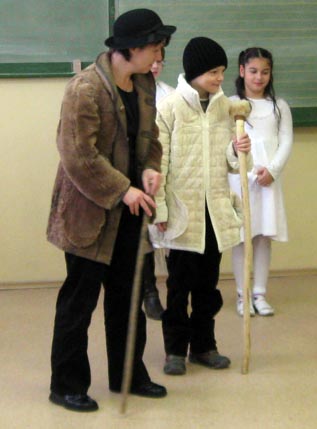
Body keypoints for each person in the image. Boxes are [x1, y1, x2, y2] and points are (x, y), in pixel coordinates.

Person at [46, 9, 176, 412]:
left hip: (129, 213)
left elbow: (151, 138)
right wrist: (123, 190)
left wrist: (150, 167)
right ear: (132, 48)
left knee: (126, 298)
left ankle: (129, 374)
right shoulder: (85, 89)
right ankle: (66, 385)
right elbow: (78, 155)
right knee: (79, 303)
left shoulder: (143, 84)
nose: (159, 55)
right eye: (155, 47)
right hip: (88, 214)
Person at [149, 36, 251, 376]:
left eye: (222, 71)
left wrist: (238, 150)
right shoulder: (170, 107)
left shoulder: (226, 109)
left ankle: (204, 346)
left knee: (208, 286)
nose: (219, 78)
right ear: (194, 72)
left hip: (214, 212)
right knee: (179, 286)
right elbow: (158, 163)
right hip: (182, 212)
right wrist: (159, 209)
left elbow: (233, 164)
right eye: (212, 72)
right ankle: (175, 350)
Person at [229, 47, 293, 317]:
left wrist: (273, 171)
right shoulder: (231, 104)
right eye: (253, 71)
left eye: (265, 72)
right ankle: (242, 295)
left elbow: (286, 141)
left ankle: (260, 293)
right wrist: (241, 160)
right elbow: (226, 142)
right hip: (240, 178)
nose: (259, 77)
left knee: (264, 236)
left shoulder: (279, 106)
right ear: (242, 71)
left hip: (268, 180)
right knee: (242, 237)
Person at [142, 46, 174, 320]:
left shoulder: (170, 95)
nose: (155, 66)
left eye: (160, 62)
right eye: (151, 61)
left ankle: (172, 292)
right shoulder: (126, 90)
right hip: (134, 172)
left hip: (161, 170)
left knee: (165, 231)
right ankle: (149, 292)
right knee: (141, 236)